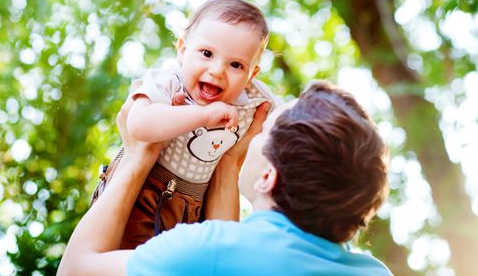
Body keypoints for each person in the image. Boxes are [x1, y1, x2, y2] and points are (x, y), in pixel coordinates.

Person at [58, 80, 392, 276]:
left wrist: (139, 155)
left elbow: (76, 269)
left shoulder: (204, 250)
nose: (255, 134)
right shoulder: (375, 273)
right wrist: (227, 162)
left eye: (265, 130)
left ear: (268, 177)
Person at [91, 0, 279, 249]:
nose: (217, 70)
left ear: (251, 74)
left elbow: (291, 123)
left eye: (236, 65)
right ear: (182, 50)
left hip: (193, 207)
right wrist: (203, 116)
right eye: (207, 53)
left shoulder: (253, 100)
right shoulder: (169, 81)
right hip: (142, 195)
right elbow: (138, 124)